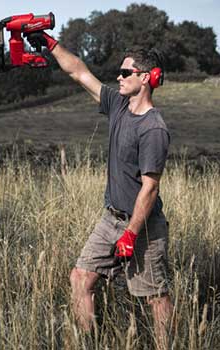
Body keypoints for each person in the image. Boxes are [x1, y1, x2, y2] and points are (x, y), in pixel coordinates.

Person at [27, 32, 173, 349]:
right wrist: (52, 45)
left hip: (144, 226)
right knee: (81, 277)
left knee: (155, 298)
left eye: (125, 72)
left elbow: (149, 189)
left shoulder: (153, 128)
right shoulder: (118, 106)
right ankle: (88, 344)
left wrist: (132, 234)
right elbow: (79, 72)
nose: (118, 77)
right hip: (111, 219)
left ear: (147, 78)